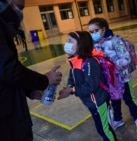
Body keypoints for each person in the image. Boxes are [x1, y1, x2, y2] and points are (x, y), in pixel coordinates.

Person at [0, 0, 62, 140]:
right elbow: (7, 69)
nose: (20, 13)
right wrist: (45, 80)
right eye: (19, 7)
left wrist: (29, 90)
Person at [87, 17, 137, 133]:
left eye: (95, 30)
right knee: (114, 100)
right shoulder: (93, 45)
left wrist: (111, 63)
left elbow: (126, 58)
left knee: (129, 100)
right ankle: (118, 119)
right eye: (91, 32)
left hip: (122, 78)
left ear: (103, 29)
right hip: (106, 80)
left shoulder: (115, 40)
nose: (93, 34)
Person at [57, 31, 117, 141]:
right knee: (102, 127)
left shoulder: (89, 62)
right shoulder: (75, 60)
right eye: (67, 40)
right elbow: (72, 76)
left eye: (70, 41)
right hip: (90, 102)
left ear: (81, 44)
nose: (67, 43)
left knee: (103, 129)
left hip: (98, 102)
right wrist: (69, 86)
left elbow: (90, 86)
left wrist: (72, 90)